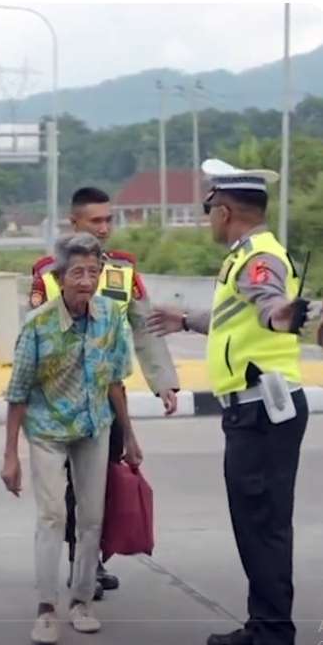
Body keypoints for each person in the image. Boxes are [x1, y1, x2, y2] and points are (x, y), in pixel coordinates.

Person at [147, 159, 311, 645]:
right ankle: (264, 624)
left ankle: (273, 632)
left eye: (209, 209)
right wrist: (186, 320)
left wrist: (282, 317)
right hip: (257, 407)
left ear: (224, 210)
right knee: (257, 522)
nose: (208, 219)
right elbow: (236, 313)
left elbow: (267, 304)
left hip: (262, 409)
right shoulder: (249, 252)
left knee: (262, 524)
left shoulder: (259, 258)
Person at [28, 187, 178, 599]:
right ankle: (79, 565)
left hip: (104, 401)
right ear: (73, 223)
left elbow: (145, 329)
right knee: (66, 494)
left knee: (98, 488)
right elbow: (32, 337)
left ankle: (88, 562)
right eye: (96, 221)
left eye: (109, 220)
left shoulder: (123, 271)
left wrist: (163, 381)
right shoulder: (48, 273)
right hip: (57, 405)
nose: (105, 228)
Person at [2, 233, 143, 645]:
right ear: (60, 276)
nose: (86, 281)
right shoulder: (38, 325)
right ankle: (46, 609)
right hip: (47, 430)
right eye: (77, 272)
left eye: (93, 272)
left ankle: (81, 600)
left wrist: (129, 435)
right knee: (52, 517)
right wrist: (10, 455)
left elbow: (115, 381)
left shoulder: (112, 318)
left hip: (94, 428)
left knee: (92, 517)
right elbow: (18, 393)